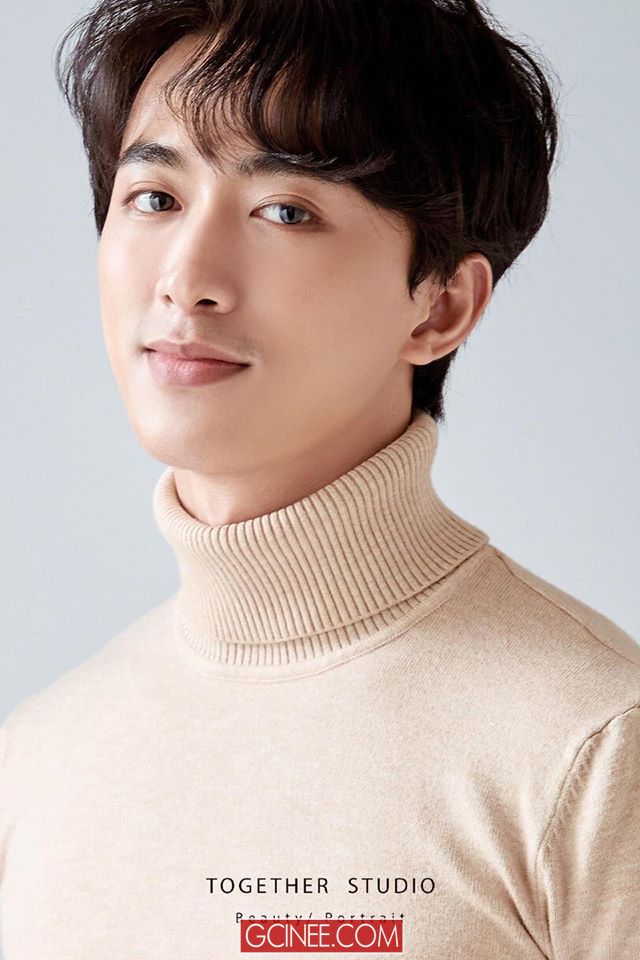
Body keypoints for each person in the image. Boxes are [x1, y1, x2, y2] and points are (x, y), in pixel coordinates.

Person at [1, 0, 638, 957]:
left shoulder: (595, 749)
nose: (186, 278)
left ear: (440, 308)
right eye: (155, 198)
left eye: (285, 210)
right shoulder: (37, 759)